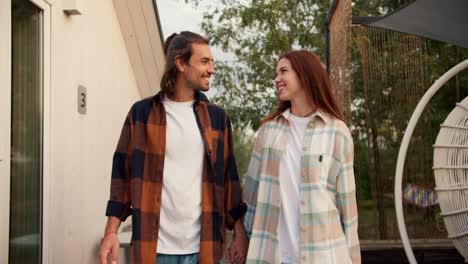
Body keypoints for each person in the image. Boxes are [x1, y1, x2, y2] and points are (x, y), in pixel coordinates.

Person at [99, 31, 247, 264]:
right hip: (154, 250)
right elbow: (122, 177)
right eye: (204, 61)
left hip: (204, 249)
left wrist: (240, 233)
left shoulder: (217, 119)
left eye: (212, 61)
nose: (212, 69)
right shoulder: (141, 114)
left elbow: (230, 180)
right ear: (180, 63)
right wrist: (111, 232)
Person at [242, 50, 360, 263]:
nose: (276, 79)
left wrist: (353, 257)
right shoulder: (268, 132)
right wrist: (242, 240)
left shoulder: (337, 131)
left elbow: (347, 205)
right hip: (273, 255)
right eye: (276, 73)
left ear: (304, 75)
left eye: (283, 71)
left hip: (325, 255)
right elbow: (250, 195)